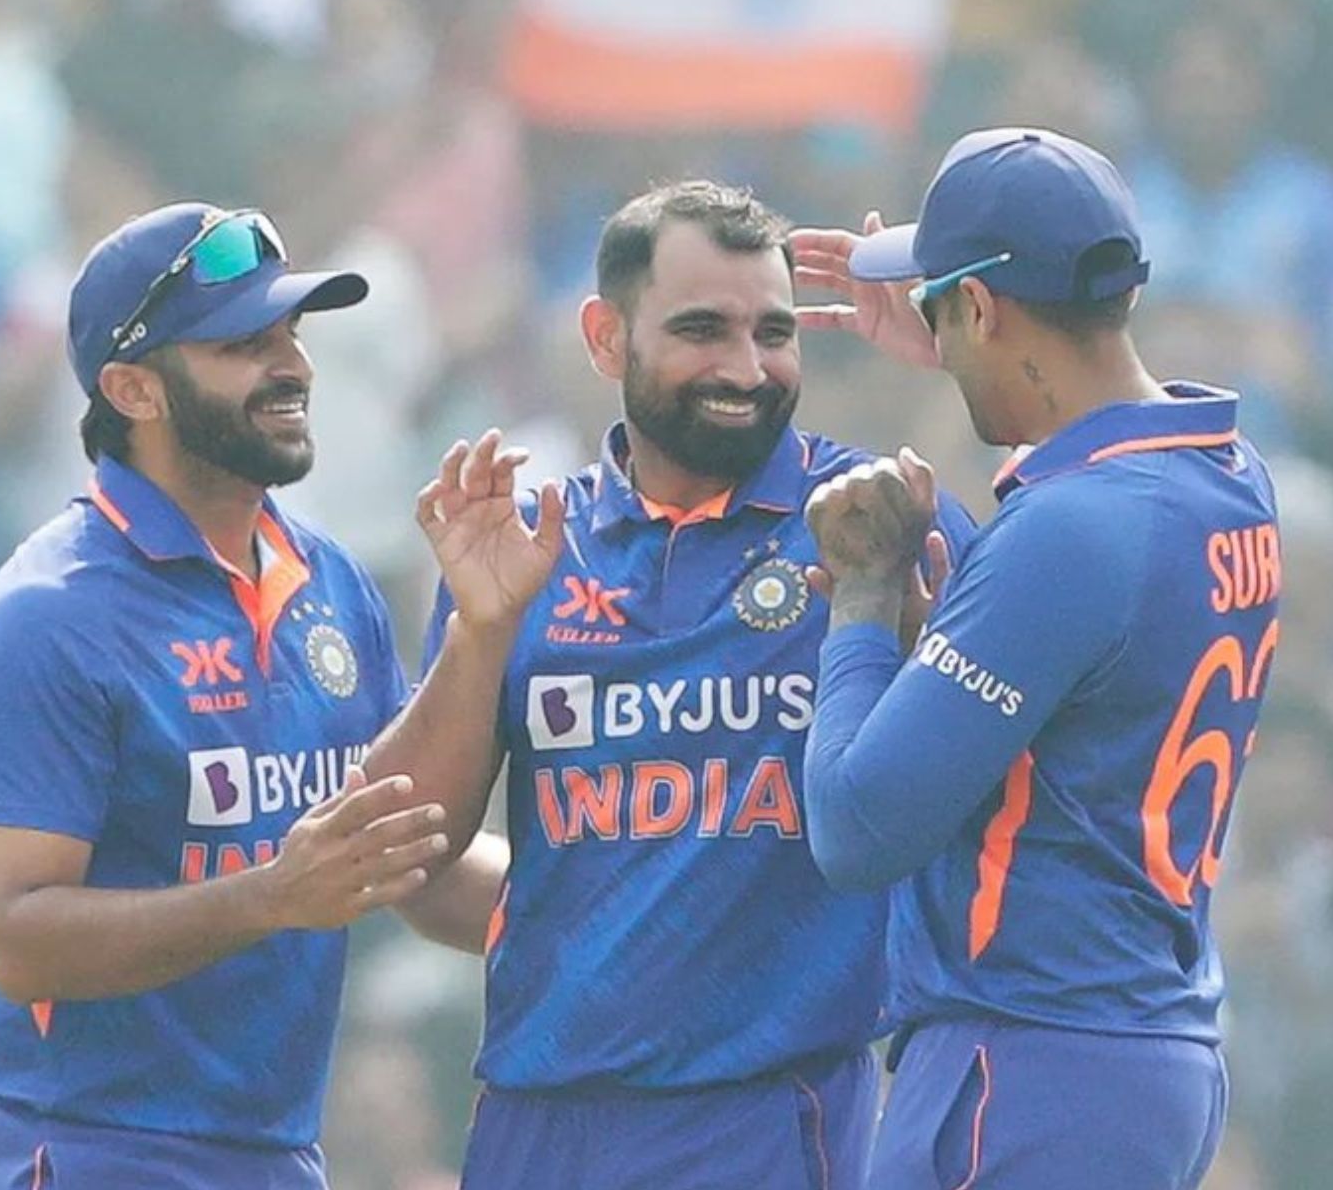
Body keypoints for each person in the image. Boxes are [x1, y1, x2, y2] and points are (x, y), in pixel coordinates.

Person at [364, 179, 976, 1189]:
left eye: (773, 332)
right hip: (535, 1123)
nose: (747, 368)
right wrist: (478, 632)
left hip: (767, 1122)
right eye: (703, 329)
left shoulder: (878, 520)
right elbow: (407, 857)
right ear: (606, 339)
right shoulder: (526, 547)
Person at [790, 128, 1281, 1190]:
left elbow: (858, 824)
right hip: (1136, 1052)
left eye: (944, 310)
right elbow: (1078, 536)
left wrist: (866, 595)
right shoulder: (1228, 473)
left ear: (979, 307)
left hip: (1024, 1066)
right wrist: (968, 354)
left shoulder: (1074, 532)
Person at [0, 201, 452, 1189]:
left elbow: (403, 849)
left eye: (290, 336)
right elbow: (20, 942)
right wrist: (274, 896)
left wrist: (609, 906)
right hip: (83, 1147)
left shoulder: (331, 582)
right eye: (242, 346)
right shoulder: (45, 618)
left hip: (271, 1154)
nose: (293, 367)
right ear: (134, 388)